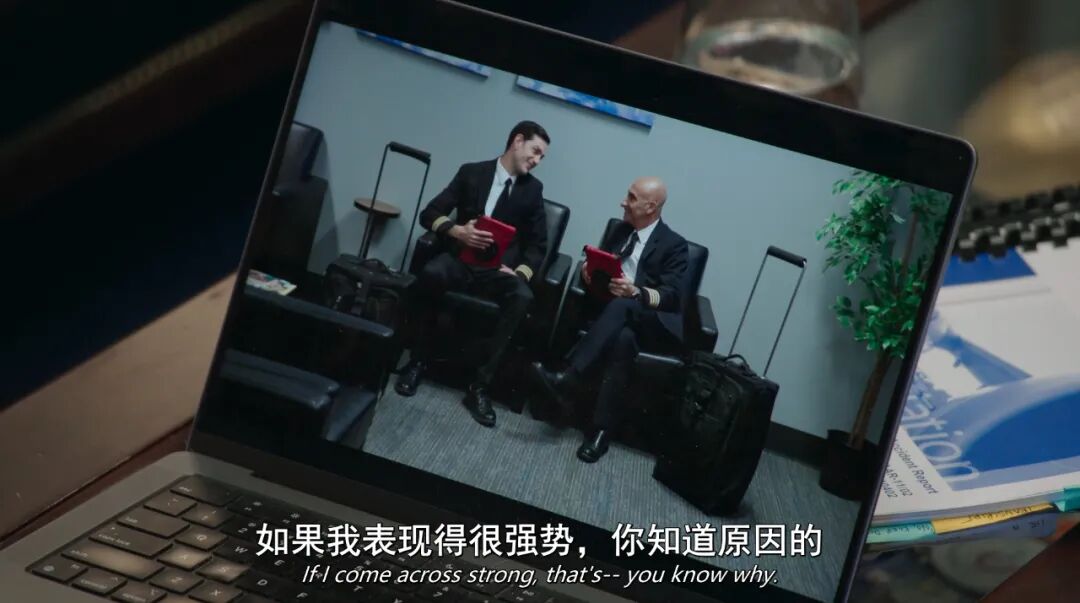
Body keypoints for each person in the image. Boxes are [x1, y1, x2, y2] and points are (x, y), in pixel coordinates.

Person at [395, 121, 550, 428]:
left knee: (522, 297)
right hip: (460, 260)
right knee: (432, 273)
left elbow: (538, 245)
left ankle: (479, 386)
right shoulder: (472, 172)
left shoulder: (533, 190)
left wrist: (519, 272)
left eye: (542, 157)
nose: (537, 161)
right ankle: (417, 362)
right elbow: (430, 213)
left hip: (497, 270)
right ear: (517, 141)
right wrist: (457, 231)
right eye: (535, 151)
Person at [532, 176, 688, 462]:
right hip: (619, 320)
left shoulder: (674, 244)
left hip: (652, 321)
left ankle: (569, 376)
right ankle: (601, 432)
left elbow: (672, 296)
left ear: (651, 207)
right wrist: (587, 271)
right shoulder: (619, 230)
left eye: (631, 198)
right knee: (623, 340)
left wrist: (636, 291)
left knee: (624, 305)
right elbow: (601, 262)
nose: (623, 202)